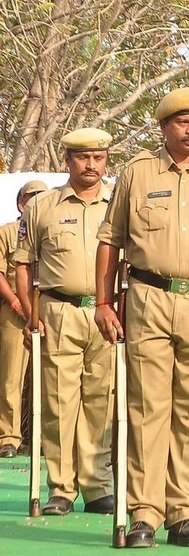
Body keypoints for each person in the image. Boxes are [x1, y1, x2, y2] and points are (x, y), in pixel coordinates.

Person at [95, 87, 189, 548]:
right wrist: (104, 302)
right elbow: (110, 240)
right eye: (183, 123)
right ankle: (143, 512)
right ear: (164, 127)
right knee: (146, 409)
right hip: (148, 299)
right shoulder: (137, 174)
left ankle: (183, 511)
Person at [14, 130, 114, 514]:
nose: (91, 165)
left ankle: (97, 485)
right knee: (58, 401)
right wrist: (31, 315)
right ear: (67, 159)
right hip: (58, 311)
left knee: (100, 401)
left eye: (99, 157)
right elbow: (25, 265)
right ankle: (61, 487)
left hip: (106, 313)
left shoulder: (117, 202)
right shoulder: (42, 206)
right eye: (83, 157)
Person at [0, 179, 46, 457]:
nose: (39, 201)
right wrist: (15, 300)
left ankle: (39, 436)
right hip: (15, 309)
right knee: (11, 376)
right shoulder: (7, 231)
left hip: (47, 308)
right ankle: (8, 436)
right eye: (33, 197)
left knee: (46, 377)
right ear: (21, 203)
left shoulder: (53, 227)